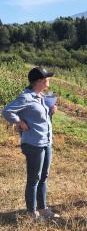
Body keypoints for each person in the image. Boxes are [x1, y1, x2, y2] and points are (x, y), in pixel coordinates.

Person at [2, 66, 59, 220]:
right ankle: (31, 212)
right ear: (40, 81)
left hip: (45, 141)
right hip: (33, 143)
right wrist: (19, 122)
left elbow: (40, 117)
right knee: (34, 178)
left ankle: (43, 208)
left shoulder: (40, 96)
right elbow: (7, 111)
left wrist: (50, 110)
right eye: (47, 77)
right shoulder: (26, 97)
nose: (49, 80)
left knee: (44, 176)